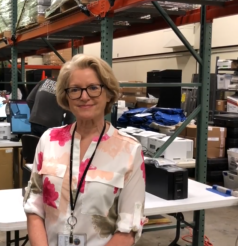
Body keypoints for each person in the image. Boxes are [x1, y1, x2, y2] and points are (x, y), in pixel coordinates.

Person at [23, 54, 146, 246]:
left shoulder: (129, 150)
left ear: (108, 93)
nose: (84, 96)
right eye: (75, 89)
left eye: (94, 88)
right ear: (66, 96)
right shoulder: (49, 140)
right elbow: (34, 207)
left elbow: (129, 228)